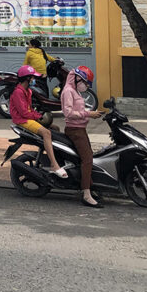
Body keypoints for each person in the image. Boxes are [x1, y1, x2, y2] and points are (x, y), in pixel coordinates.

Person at [11, 64, 67, 178]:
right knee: (46, 133)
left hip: (28, 118)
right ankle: (54, 164)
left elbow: (30, 109)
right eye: (32, 77)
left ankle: (57, 157)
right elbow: (24, 113)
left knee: (55, 128)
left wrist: (38, 115)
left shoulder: (28, 91)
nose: (34, 80)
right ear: (27, 78)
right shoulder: (18, 92)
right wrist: (37, 116)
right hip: (22, 120)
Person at [61, 66, 104, 207]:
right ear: (77, 78)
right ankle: (86, 194)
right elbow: (68, 113)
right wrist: (88, 114)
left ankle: (90, 187)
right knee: (87, 160)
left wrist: (90, 113)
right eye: (85, 82)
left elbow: (78, 109)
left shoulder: (74, 91)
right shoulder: (68, 91)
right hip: (75, 131)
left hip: (80, 129)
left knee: (86, 158)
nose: (86, 85)